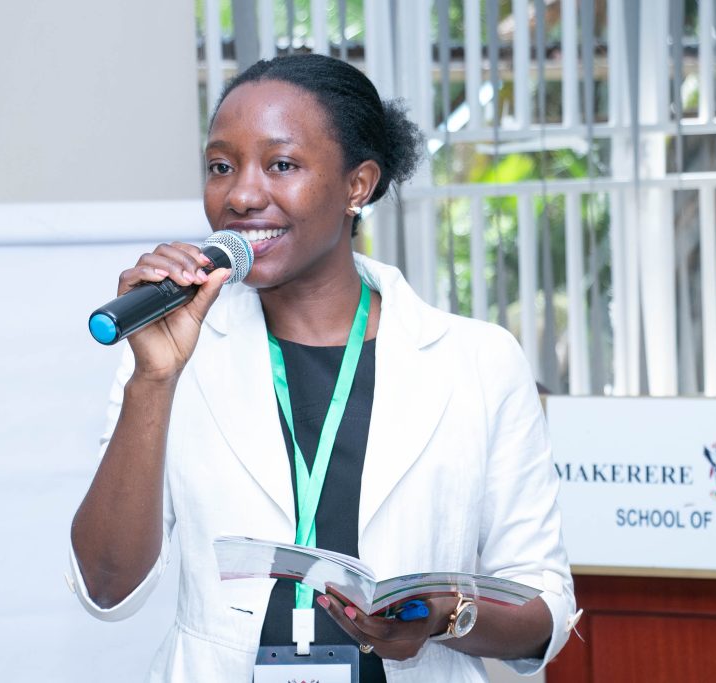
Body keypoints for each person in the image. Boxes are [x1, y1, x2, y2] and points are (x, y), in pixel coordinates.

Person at [69, 53, 576, 681]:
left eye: (281, 165)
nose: (243, 194)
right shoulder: (169, 354)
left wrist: (444, 616)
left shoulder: (476, 361)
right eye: (220, 167)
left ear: (357, 186)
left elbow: (544, 609)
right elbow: (107, 583)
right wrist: (152, 380)